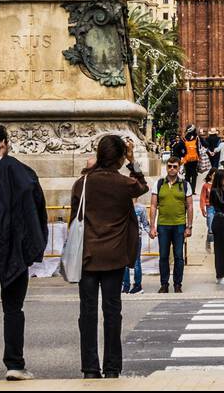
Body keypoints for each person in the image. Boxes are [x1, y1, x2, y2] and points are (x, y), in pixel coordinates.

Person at [0, 125, 48, 381]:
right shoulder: (20, 172)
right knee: (13, 308)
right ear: (3, 143)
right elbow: (35, 207)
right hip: (12, 257)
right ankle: (14, 363)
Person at [69, 135, 148, 379]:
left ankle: (90, 368)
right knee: (113, 313)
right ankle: (112, 367)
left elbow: (75, 218)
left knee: (88, 314)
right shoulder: (124, 184)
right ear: (120, 157)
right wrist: (133, 162)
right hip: (114, 257)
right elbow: (142, 186)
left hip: (88, 256)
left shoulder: (82, 184)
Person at [150, 157, 192, 293]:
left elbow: (190, 206)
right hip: (163, 225)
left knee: (179, 256)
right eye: (169, 166)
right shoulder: (159, 183)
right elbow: (153, 205)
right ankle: (164, 284)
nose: (172, 169)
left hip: (179, 225)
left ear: (179, 168)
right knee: (163, 256)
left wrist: (189, 226)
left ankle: (178, 284)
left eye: (175, 166)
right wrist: (152, 226)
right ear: (166, 167)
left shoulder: (185, 184)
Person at [122, 199, 150, 295]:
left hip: (136, 237)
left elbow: (145, 223)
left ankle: (137, 286)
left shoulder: (140, 208)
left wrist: (151, 232)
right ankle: (126, 285)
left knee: (136, 261)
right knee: (124, 261)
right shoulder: (122, 205)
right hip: (124, 237)